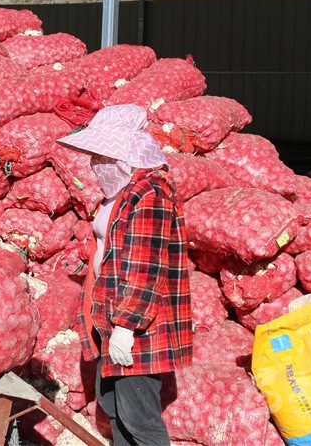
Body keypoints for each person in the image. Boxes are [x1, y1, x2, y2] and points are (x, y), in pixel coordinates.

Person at [57, 104, 192, 446]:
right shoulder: (122, 192)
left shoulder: (150, 194)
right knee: (114, 409)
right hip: (111, 316)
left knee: (139, 419)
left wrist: (126, 327)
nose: (96, 163)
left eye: (103, 155)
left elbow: (146, 266)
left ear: (125, 154)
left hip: (137, 326)